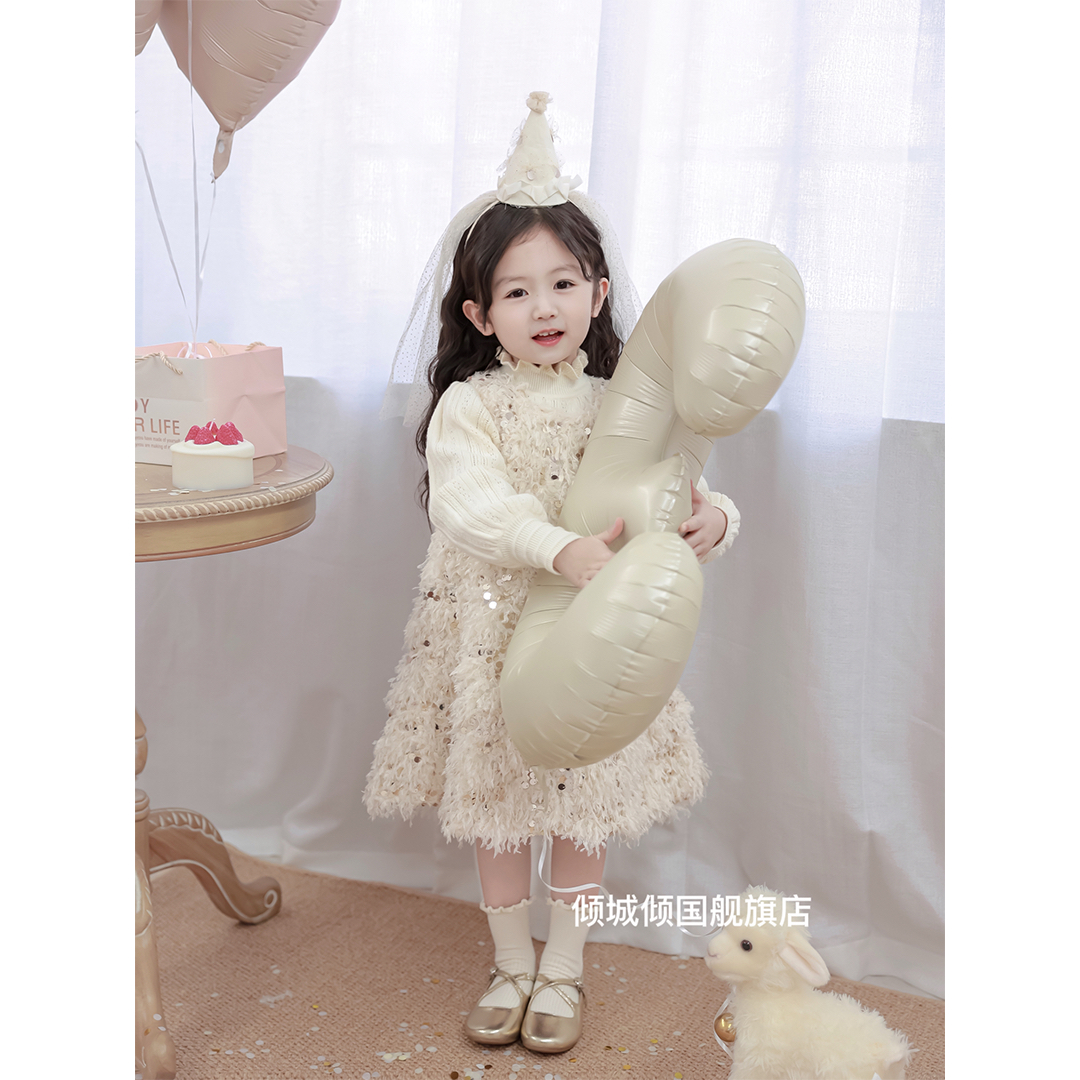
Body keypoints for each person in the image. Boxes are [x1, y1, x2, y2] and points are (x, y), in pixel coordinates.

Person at [364, 93, 740, 1054]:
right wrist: (555, 547)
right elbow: (471, 505)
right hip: (493, 630)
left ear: (599, 294)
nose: (544, 308)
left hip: (595, 632)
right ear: (479, 313)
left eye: (563, 284)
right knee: (501, 802)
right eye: (517, 292)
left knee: (580, 798)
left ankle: (564, 965)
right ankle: (509, 961)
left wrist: (713, 518)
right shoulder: (472, 405)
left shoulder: (624, 405)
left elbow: (678, 482)